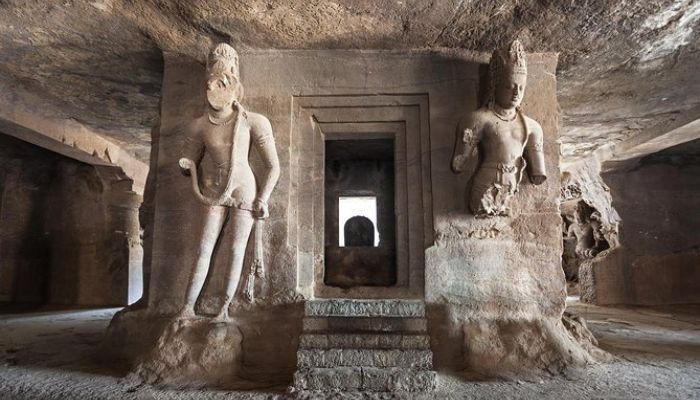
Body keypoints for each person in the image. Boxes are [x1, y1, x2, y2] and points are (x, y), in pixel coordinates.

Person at [177, 43, 280, 321]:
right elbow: (188, 160)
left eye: (223, 81)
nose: (215, 88)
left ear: (233, 81)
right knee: (203, 247)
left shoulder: (253, 121)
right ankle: (187, 307)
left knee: (236, 249)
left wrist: (263, 198)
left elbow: (273, 166)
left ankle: (223, 309)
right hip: (212, 187)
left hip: (243, 187)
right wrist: (187, 167)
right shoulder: (199, 125)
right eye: (212, 82)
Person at [452, 39, 546, 217]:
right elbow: (459, 163)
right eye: (509, 86)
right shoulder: (479, 118)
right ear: (495, 86)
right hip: (486, 183)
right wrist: (465, 144)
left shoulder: (532, 127)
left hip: (511, 187)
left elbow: (538, 174)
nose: (516, 93)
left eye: (521, 87)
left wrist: (536, 170)